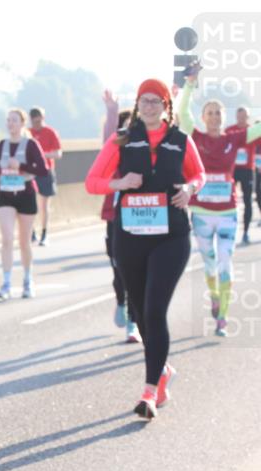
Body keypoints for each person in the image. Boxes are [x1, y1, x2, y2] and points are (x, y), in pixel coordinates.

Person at [85, 77, 205, 420]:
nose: (149, 106)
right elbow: (92, 182)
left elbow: (200, 175)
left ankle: (150, 391)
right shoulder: (122, 138)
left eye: (156, 101)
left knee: (154, 310)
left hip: (172, 235)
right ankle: (162, 371)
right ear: (137, 105)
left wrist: (190, 188)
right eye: (144, 101)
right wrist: (120, 183)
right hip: (131, 235)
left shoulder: (180, 140)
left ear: (166, 106)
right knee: (139, 312)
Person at [176, 69, 261, 336]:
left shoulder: (234, 138)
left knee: (226, 261)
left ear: (224, 118)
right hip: (201, 213)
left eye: (218, 113)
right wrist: (189, 86)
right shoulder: (196, 137)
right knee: (210, 263)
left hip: (227, 213)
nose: (214, 116)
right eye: (210, 112)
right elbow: (184, 112)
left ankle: (222, 316)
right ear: (204, 118)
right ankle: (214, 294)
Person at [0, 108, 48, 299]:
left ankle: (27, 279)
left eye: (14, 120)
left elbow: (43, 169)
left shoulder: (31, 144)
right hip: (5, 194)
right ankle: (6, 283)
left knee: (24, 241)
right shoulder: (1, 145)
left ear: (23, 123)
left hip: (26, 193)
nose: (10, 124)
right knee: (7, 238)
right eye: (8, 120)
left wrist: (22, 166)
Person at [102, 91, 142, 343]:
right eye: (123, 128)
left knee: (138, 270)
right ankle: (120, 300)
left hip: (142, 215)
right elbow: (107, 141)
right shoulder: (115, 149)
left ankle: (133, 322)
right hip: (116, 215)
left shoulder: (148, 149)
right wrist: (111, 112)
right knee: (119, 268)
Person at [29, 107, 62, 246]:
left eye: (39, 121)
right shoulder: (28, 133)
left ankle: (44, 233)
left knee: (44, 205)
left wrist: (42, 155)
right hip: (30, 172)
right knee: (30, 204)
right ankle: (31, 232)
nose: (38, 124)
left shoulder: (50, 132)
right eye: (35, 122)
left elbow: (58, 153)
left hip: (46, 171)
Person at [226, 107, 258, 244]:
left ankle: (245, 232)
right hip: (232, 170)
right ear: (236, 117)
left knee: (247, 201)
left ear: (248, 118)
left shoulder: (253, 132)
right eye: (239, 117)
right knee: (228, 200)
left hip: (247, 170)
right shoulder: (230, 130)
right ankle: (227, 230)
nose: (241, 120)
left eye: (244, 117)